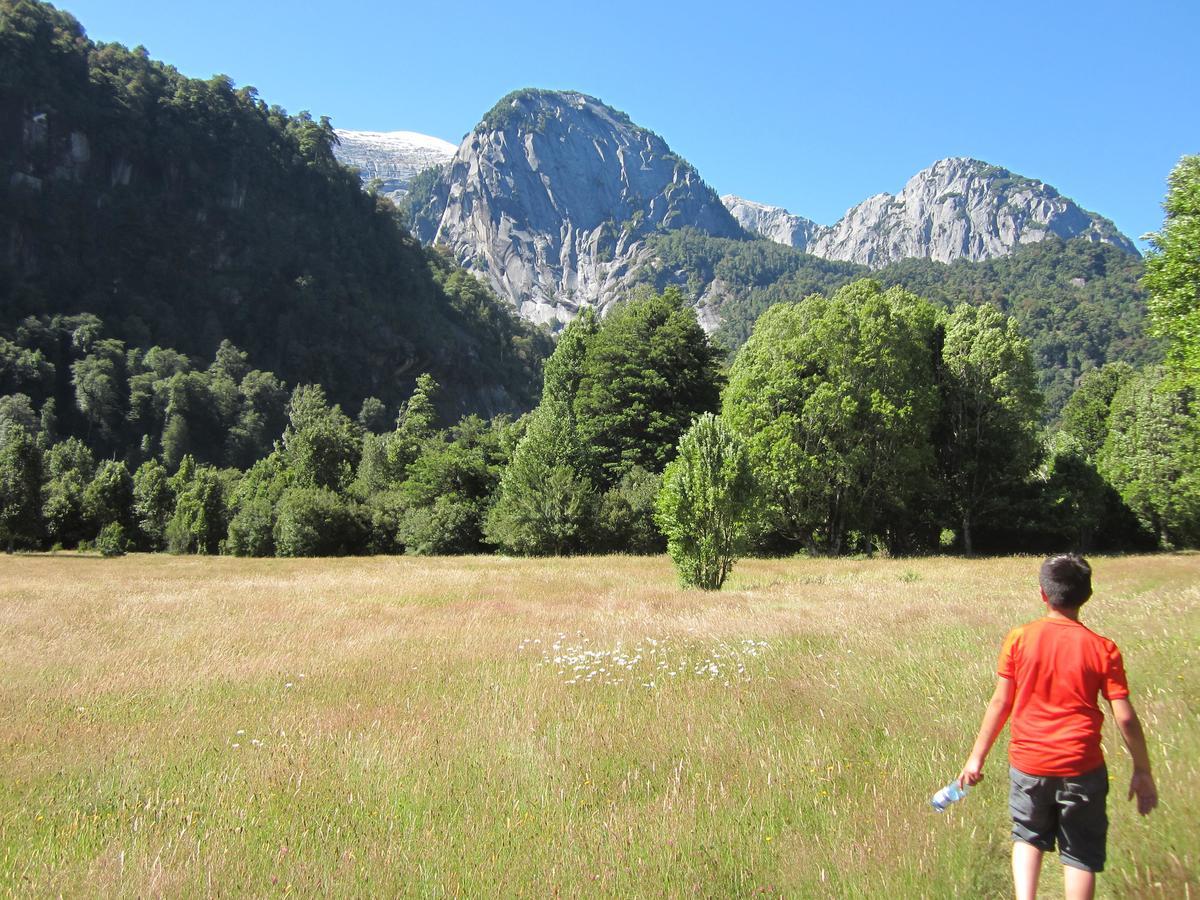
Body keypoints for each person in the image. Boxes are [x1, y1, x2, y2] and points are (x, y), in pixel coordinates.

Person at [957, 554, 1158, 900]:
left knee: (1027, 836)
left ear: (1043, 594)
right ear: (1087, 593)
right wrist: (1142, 769)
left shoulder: (1019, 639)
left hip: (1029, 764)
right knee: (1080, 852)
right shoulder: (1103, 649)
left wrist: (976, 758)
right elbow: (1124, 717)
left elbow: (1001, 702)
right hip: (1082, 767)